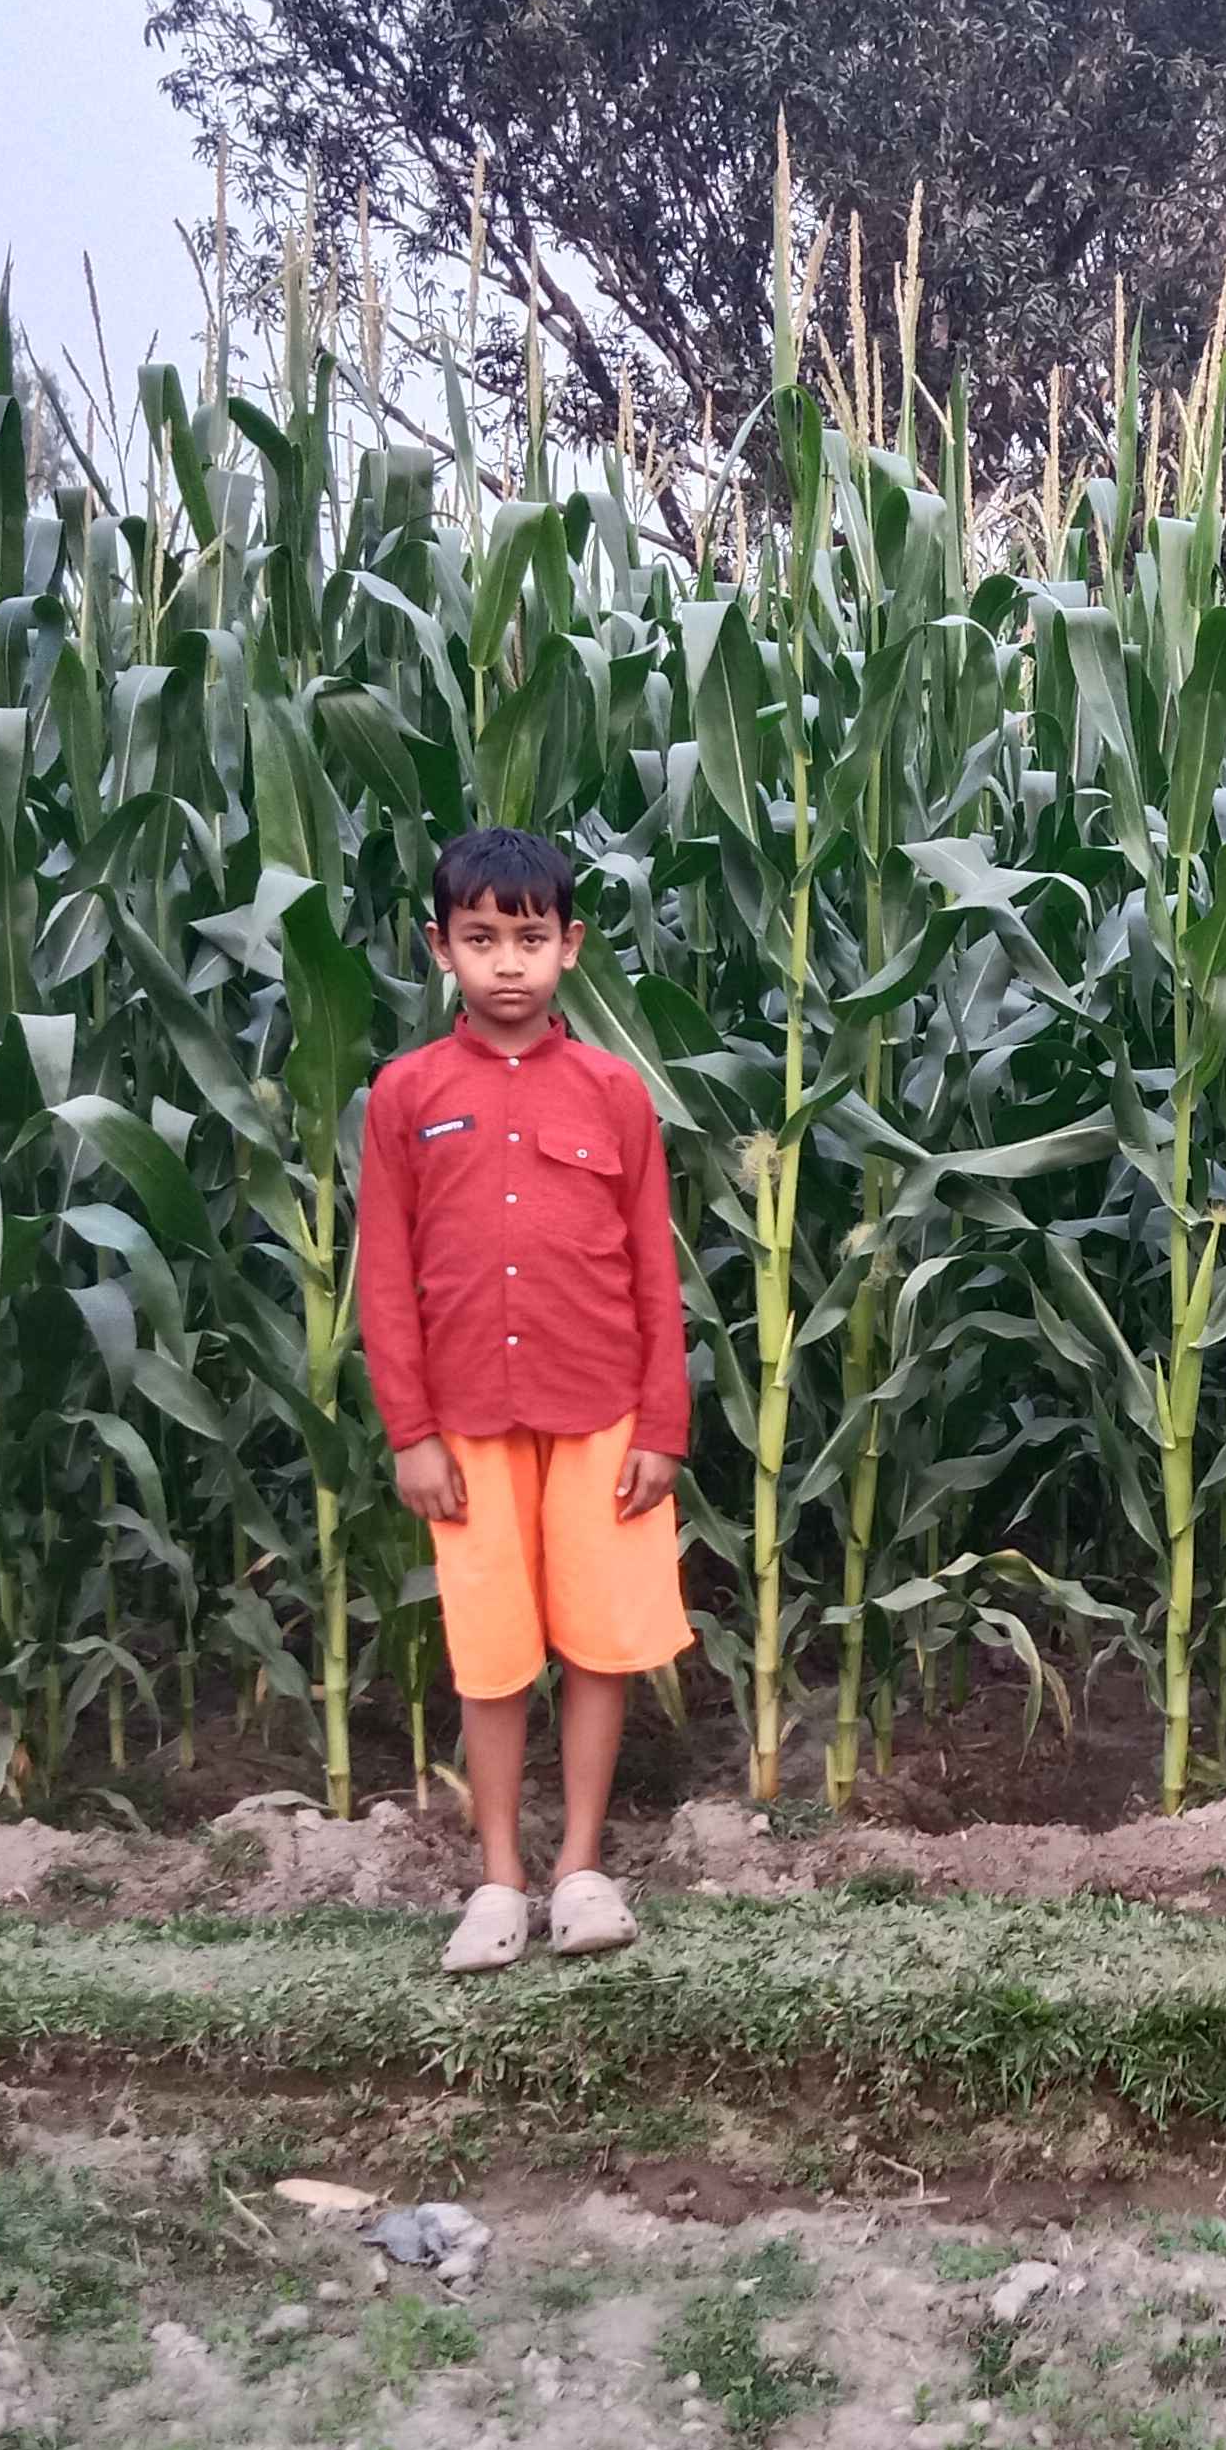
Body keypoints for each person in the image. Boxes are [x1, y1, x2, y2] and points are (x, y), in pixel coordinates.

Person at [359, 827, 696, 1975]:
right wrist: (411, 1433)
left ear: (570, 946)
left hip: (602, 1413)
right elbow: (383, 1278)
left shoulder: (614, 1092)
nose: (507, 962)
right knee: (491, 1654)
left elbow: (652, 1269)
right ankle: (499, 1879)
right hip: (464, 1425)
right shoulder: (406, 1096)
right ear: (438, 948)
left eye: (530, 939)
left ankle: (581, 1872)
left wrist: (661, 1426)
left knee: (600, 1646)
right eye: (480, 939)